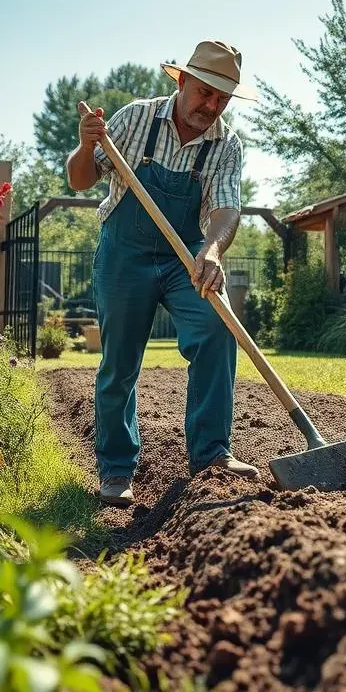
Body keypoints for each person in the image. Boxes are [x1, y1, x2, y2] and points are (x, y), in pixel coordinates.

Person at [66, 39, 259, 507]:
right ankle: (115, 468)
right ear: (183, 81)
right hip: (124, 253)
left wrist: (211, 252)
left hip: (186, 257)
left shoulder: (225, 144)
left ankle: (212, 454)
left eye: (222, 98)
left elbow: (225, 209)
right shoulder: (135, 118)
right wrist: (86, 144)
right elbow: (81, 179)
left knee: (217, 327)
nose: (211, 106)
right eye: (204, 93)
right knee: (119, 362)